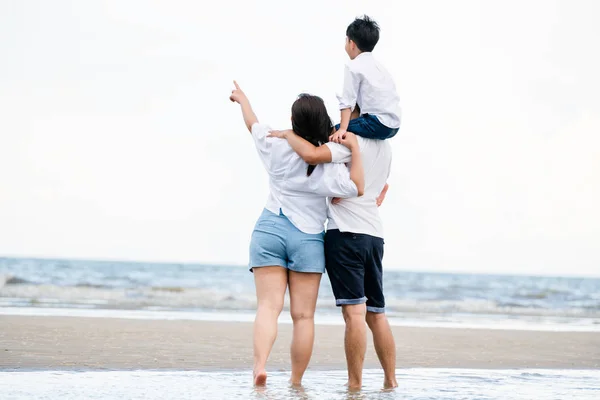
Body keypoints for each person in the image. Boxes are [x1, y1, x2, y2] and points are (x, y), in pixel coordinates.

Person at [229, 81, 365, 387]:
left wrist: (242, 99)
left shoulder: (275, 144)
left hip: (270, 230)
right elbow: (357, 186)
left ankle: (260, 366)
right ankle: (295, 380)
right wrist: (353, 149)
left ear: (292, 122)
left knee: (268, 307)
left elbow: (252, 123)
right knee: (303, 317)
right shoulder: (330, 164)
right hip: (308, 238)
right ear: (323, 124)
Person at [268, 124, 398, 390]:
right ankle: (391, 381)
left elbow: (312, 156)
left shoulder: (345, 142)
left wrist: (289, 134)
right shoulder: (385, 147)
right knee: (377, 313)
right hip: (374, 234)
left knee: (354, 314)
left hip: (346, 233)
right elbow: (383, 186)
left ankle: (355, 384)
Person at [332, 15, 401, 143]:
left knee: (331, 132)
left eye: (346, 40)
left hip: (376, 123)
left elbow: (347, 102)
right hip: (394, 125)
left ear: (351, 43)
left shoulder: (353, 65)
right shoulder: (380, 67)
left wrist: (342, 129)